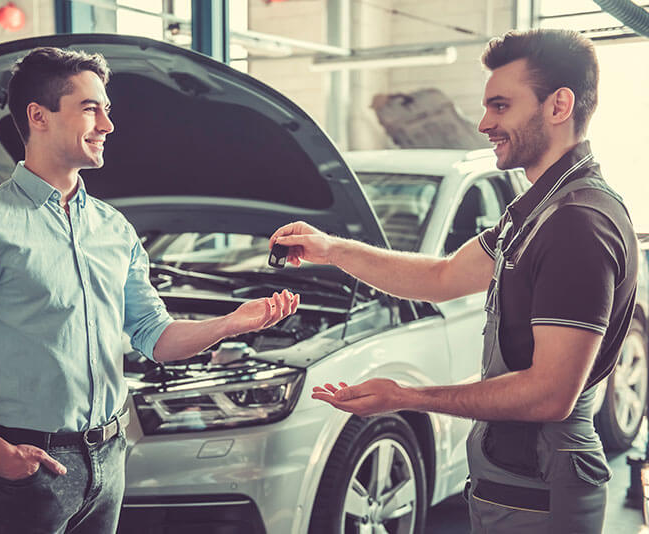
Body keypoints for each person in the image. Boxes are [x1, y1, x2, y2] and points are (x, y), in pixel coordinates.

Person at [0, 47, 299, 534]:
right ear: (38, 116)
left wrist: (231, 323)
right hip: (28, 466)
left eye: (106, 110)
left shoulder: (114, 229)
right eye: (91, 108)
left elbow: (156, 337)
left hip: (110, 458)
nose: (107, 125)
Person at [270, 29, 637, 533]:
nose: (484, 124)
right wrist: (332, 250)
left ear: (559, 105)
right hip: (515, 482)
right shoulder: (535, 212)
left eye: (501, 106)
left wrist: (407, 397)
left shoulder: (577, 223)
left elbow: (550, 394)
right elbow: (442, 277)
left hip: (542, 493)